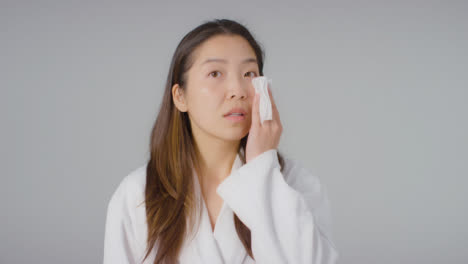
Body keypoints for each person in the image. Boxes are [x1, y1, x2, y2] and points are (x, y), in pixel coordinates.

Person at [103, 18, 339, 264]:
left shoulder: (295, 184)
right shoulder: (137, 194)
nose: (238, 90)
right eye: (215, 73)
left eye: (249, 74)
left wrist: (261, 167)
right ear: (180, 96)